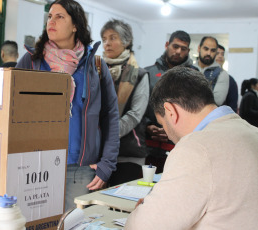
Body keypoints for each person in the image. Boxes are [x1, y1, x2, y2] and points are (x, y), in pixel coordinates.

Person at [16, 0, 119, 211]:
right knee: (35, 223)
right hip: (35, 164)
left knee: (74, 224)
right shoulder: (31, 61)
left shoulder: (95, 66)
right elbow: (11, 108)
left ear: (75, 25)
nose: (51, 21)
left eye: (59, 16)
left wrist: (107, 164)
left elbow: (110, 116)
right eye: (49, 16)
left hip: (79, 169)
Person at [125, 66, 258, 230]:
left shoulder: (195, 148)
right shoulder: (252, 132)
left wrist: (142, 212)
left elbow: (144, 226)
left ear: (171, 111)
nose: (167, 133)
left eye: (162, 124)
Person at [100, 19, 149, 186]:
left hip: (128, 154)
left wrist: (109, 133)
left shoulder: (139, 74)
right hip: (98, 154)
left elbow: (135, 114)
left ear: (127, 41)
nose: (107, 43)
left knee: (122, 207)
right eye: (104, 39)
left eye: (113, 38)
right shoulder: (95, 71)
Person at [144, 30, 197, 173]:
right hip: (147, 147)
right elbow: (137, 107)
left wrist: (173, 129)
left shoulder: (195, 77)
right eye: (175, 46)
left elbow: (196, 111)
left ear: (188, 51)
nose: (178, 51)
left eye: (183, 49)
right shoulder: (147, 73)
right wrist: (147, 125)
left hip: (179, 148)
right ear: (167, 45)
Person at [195, 36, 230, 107]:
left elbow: (217, 100)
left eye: (213, 50)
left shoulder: (221, 73)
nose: (209, 53)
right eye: (206, 49)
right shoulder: (188, 69)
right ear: (199, 48)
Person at [215, 44, 239, 112]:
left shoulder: (230, 80)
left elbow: (233, 107)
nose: (220, 56)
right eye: (217, 53)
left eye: (222, 54)